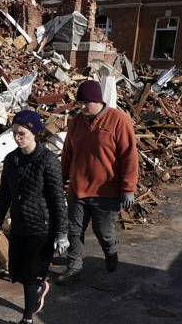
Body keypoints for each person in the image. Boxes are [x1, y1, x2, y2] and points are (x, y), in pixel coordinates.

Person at [0, 110, 68, 324]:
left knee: (29, 277)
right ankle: (39, 287)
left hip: (42, 228)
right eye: (14, 134)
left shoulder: (48, 161)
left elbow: (58, 200)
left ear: (35, 133)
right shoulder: (12, 160)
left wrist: (61, 233)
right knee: (17, 273)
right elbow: (4, 196)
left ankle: (27, 321)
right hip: (19, 226)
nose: (17, 138)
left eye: (22, 133)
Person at [59, 79, 138, 283]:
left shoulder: (118, 120)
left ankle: (111, 252)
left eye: (87, 103)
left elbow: (129, 156)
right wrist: (61, 178)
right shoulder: (77, 122)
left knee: (103, 232)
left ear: (98, 101)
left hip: (106, 192)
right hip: (78, 189)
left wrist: (128, 188)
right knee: (74, 231)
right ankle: (74, 268)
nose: (83, 107)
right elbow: (67, 152)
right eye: (80, 103)